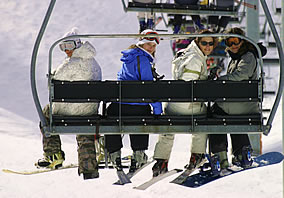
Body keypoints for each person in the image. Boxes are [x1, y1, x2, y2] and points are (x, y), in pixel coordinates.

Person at [36, 27, 102, 180]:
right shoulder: (94, 62)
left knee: (45, 113)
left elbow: (56, 79)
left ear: (77, 44)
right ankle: (88, 167)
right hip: (89, 110)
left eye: (69, 46)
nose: (66, 51)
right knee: (84, 126)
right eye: (63, 47)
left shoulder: (72, 63)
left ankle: (53, 154)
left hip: (69, 109)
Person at [152, 29, 218, 177]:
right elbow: (188, 82)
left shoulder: (184, 53)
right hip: (189, 106)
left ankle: (161, 161)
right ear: (197, 41)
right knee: (203, 122)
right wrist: (207, 82)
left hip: (173, 106)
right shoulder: (195, 58)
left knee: (168, 128)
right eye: (204, 43)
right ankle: (198, 156)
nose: (207, 46)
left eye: (211, 43)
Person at [105, 29, 163, 172]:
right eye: (149, 45)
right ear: (141, 44)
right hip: (137, 109)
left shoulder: (128, 58)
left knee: (112, 116)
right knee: (141, 115)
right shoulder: (143, 60)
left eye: (154, 46)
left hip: (118, 108)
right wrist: (157, 110)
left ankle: (114, 154)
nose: (151, 48)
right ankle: (139, 155)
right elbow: (148, 89)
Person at [209, 27, 264, 172]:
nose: (233, 45)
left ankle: (220, 156)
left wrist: (220, 80)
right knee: (233, 117)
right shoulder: (239, 57)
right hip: (243, 104)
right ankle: (241, 153)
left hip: (244, 105)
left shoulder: (248, 56)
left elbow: (241, 76)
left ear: (242, 41)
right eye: (230, 42)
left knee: (213, 115)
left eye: (236, 41)